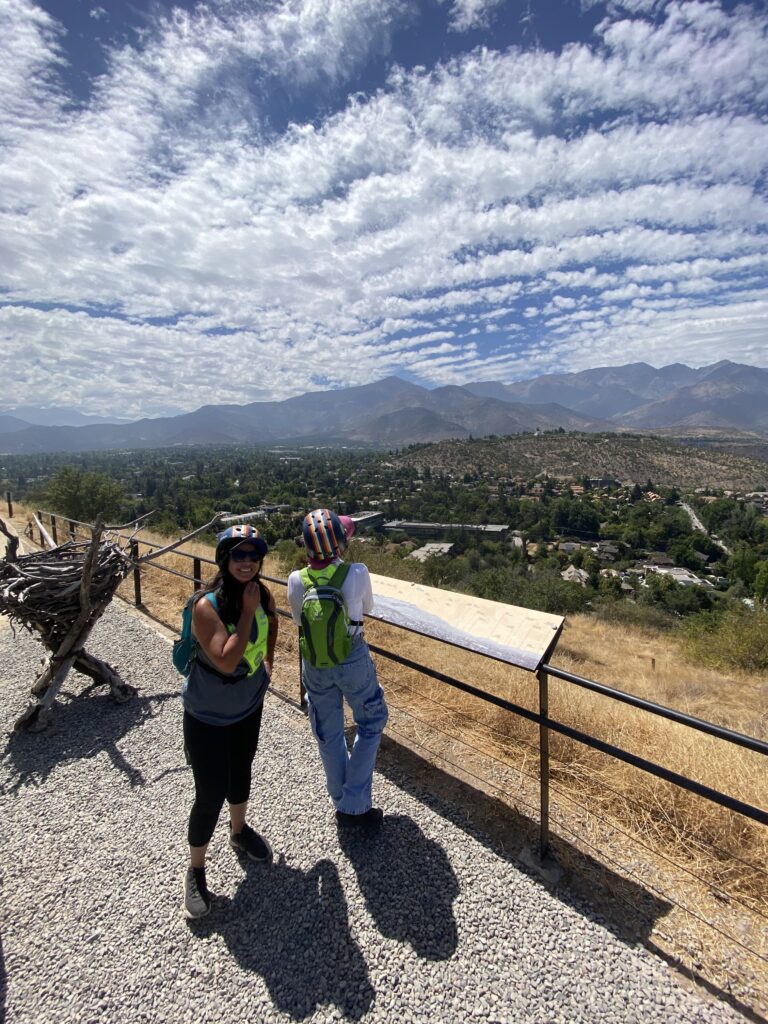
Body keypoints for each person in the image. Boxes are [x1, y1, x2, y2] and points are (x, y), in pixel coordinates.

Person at [181, 523, 278, 919]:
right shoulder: (207, 606)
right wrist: (248, 612)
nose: (248, 562)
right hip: (208, 715)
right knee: (210, 792)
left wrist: (269, 666)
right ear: (224, 559)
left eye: (254, 556)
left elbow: (272, 628)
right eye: (239, 555)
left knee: (241, 771)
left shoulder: (260, 593)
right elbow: (224, 658)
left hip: (246, 707)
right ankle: (196, 868)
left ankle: (238, 832)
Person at [288, 509, 388, 829]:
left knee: (328, 731)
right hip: (352, 655)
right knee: (371, 720)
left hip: (315, 661)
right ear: (339, 545)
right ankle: (353, 802)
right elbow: (368, 608)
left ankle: (339, 797)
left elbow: (298, 620)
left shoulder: (296, 579)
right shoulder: (357, 572)